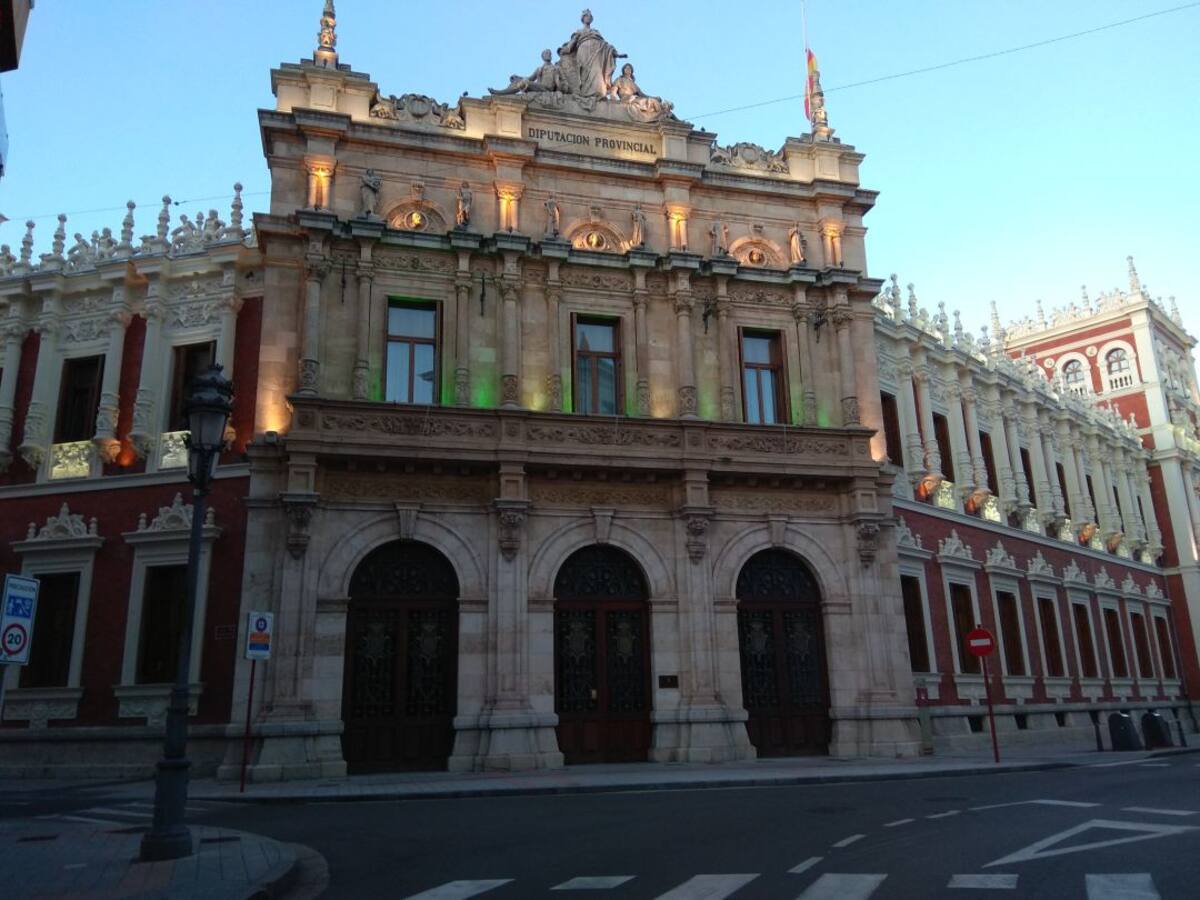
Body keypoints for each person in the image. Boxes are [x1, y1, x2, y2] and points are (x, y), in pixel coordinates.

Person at [559, 9, 624, 99]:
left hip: (597, 54)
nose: (588, 18)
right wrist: (565, 50)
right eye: (586, 16)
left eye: (589, 16)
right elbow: (572, 43)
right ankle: (585, 94)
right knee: (585, 73)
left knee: (597, 72)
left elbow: (606, 45)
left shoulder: (596, 32)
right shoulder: (579, 31)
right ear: (583, 19)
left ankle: (599, 94)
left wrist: (615, 53)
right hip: (584, 52)